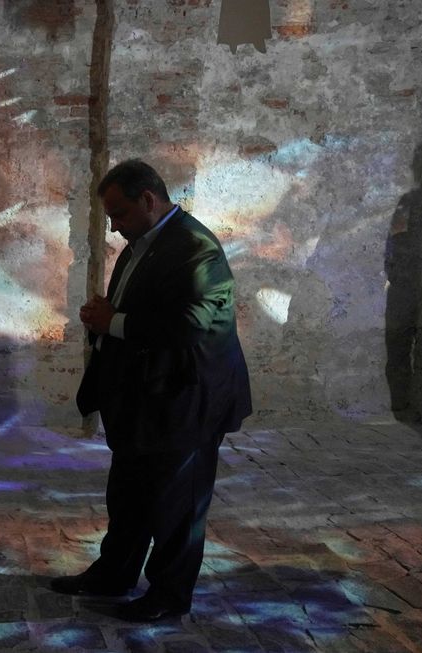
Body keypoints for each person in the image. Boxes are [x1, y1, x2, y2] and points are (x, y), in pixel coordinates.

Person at [50, 159, 252, 622]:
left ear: (148, 199)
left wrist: (114, 322)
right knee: (129, 493)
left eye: (119, 214)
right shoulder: (141, 244)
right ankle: (114, 574)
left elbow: (194, 324)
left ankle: (169, 596)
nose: (115, 227)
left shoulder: (196, 247)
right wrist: (103, 319)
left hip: (187, 398)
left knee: (178, 503)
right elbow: (135, 313)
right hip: (145, 397)